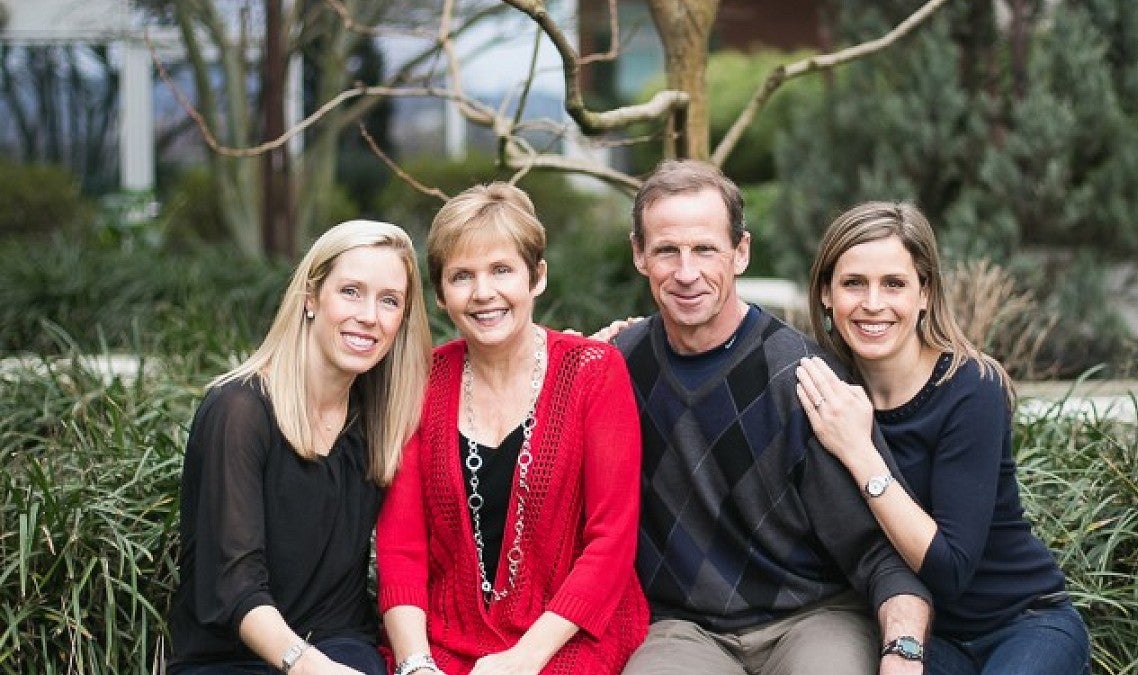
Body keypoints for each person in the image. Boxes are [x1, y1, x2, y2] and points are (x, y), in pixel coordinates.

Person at [610, 160, 932, 675]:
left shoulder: (804, 377)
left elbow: (880, 549)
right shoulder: (617, 367)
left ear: (741, 252)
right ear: (639, 254)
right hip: (683, 630)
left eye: (705, 249)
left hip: (813, 617)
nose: (687, 272)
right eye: (668, 250)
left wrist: (903, 650)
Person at [795, 201, 1091, 674]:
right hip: (923, 640)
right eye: (854, 283)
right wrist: (637, 340)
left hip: (1022, 624)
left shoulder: (970, 388)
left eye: (894, 283)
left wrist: (859, 451)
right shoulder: (825, 389)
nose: (873, 303)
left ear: (925, 293)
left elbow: (950, 570)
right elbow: (735, 353)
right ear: (827, 293)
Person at [376, 183, 648, 675]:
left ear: (536, 276)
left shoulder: (594, 372)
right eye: (462, 276)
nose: (483, 293)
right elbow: (402, 546)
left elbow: (611, 542)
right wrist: (415, 663)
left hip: (572, 633)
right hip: (444, 639)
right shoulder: (420, 382)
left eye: (501, 270)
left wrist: (523, 659)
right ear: (440, 295)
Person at [167, 220, 432, 675]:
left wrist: (545, 359)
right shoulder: (239, 411)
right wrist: (311, 668)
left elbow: (477, 398)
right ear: (311, 297)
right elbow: (234, 590)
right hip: (234, 658)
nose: (369, 316)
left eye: (389, 301)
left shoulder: (381, 419)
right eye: (351, 291)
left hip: (343, 648)